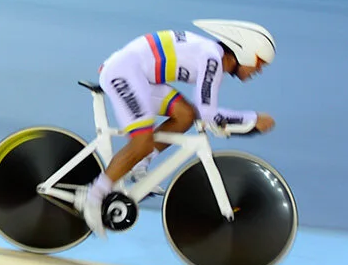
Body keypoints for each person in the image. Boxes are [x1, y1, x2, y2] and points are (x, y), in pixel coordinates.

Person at [84, 20, 276, 237]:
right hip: (123, 73)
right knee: (142, 142)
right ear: (245, 52)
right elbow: (208, 113)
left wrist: (241, 121)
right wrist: (252, 118)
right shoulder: (212, 58)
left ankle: (139, 165)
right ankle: (93, 197)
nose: (259, 70)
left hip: (138, 76)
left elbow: (202, 113)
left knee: (185, 115)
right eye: (260, 62)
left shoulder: (213, 57)